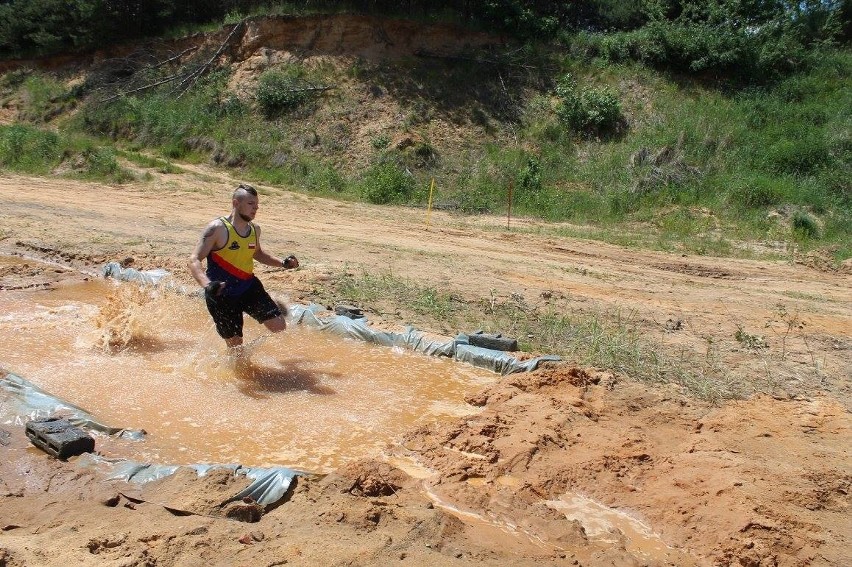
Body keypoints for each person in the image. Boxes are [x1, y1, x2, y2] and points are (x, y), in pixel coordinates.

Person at [188, 183, 299, 352]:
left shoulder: (255, 230)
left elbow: (259, 254)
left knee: (279, 327)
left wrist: (282, 263)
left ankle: (263, 308)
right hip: (221, 294)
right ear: (235, 203)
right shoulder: (217, 229)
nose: (255, 209)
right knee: (236, 348)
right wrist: (207, 284)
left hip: (248, 287)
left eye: (256, 205)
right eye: (250, 204)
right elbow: (194, 260)